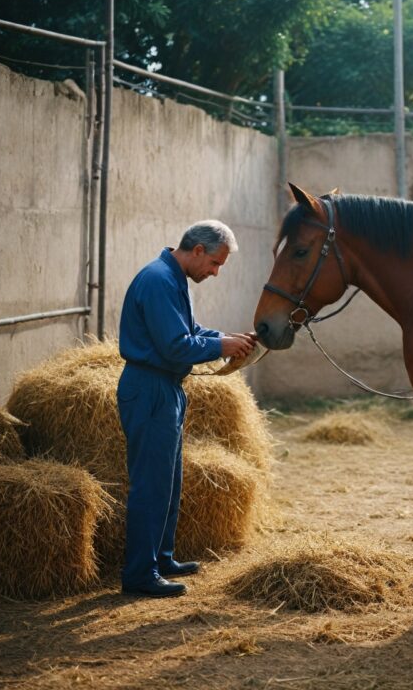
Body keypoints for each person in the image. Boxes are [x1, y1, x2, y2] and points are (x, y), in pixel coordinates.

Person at [117, 220, 255, 598]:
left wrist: (228, 339)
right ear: (196, 251)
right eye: (215, 264)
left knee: (169, 481)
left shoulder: (174, 278)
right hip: (149, 387)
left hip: (166, 388)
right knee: (151, 483)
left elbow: (192, 331)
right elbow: (177, 346)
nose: (214, 272)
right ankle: (140, 575)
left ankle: (161, 558)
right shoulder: (159, 280)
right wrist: (221, 348)